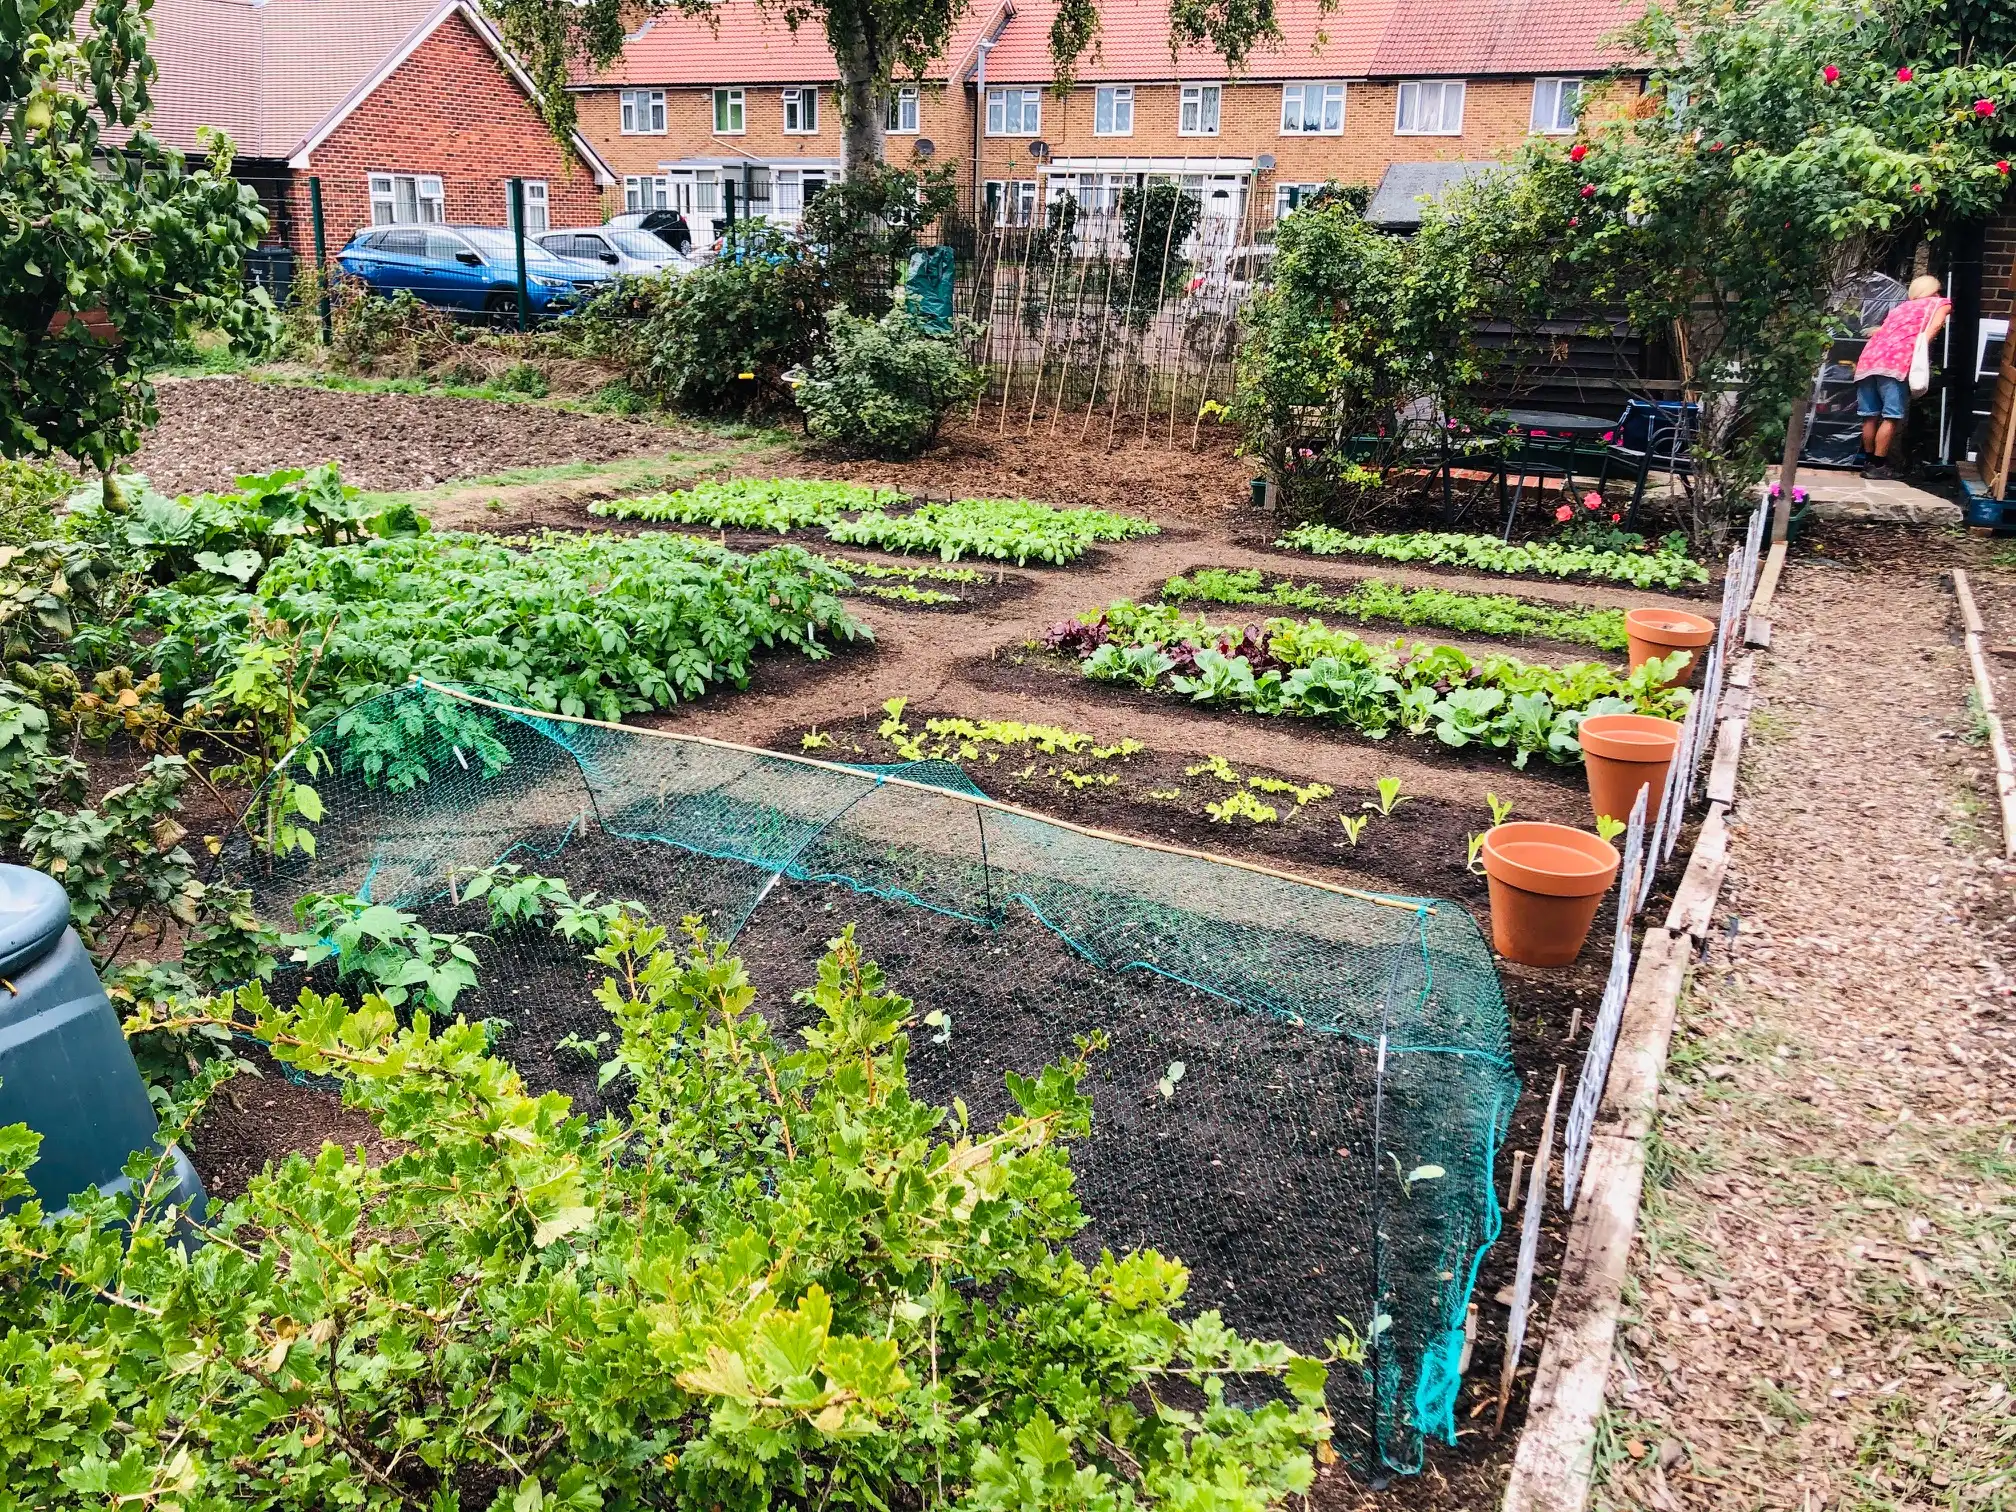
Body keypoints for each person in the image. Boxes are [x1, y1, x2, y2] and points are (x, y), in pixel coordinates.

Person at [1854, 274, 1950, 480]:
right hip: (1895, 363)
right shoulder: (1941, 303)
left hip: (1868, 360)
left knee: (1869, 415)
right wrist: (1921, 349)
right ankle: (1879, 466)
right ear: (1932, 291)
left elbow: (1882, 331)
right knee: (1891, 415)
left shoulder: (1900, 308)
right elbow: (1933, 328)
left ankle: (1868, 462)